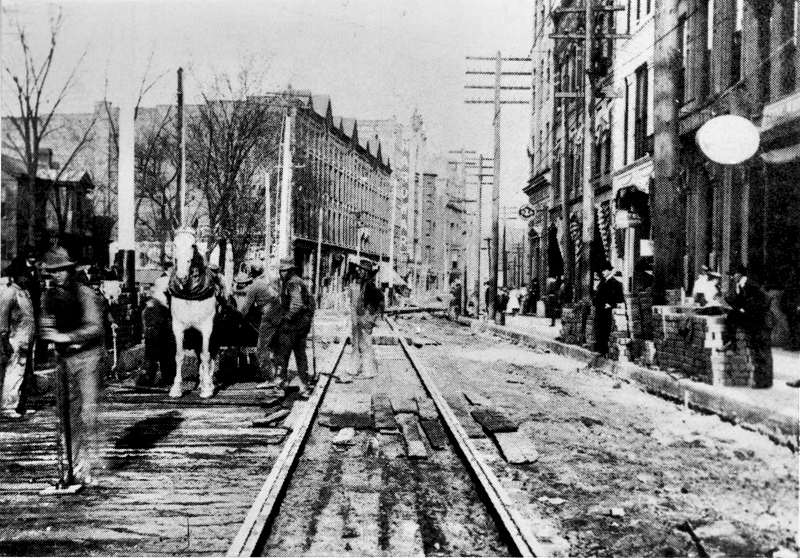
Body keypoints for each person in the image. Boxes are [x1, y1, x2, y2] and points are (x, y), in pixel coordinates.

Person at [39, 247, 107, 485]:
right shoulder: (48, 296)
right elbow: (47, 327)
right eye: (53, 272)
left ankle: (94, 464)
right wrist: (49, 336)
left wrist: (66, 338)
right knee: (68, 414)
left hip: (88, 356)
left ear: (70, 270)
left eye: (62, 270)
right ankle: (76, 464)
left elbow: (95, 327)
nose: (58, 276)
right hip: (65, 360)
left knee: (88, 411)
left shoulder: (84, 293)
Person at [724, 264, 773, 388]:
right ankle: (761, 381)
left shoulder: (751, 284)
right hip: (755, 323)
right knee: (757, 352)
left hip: (762, 322)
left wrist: (751, 310)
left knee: (763, 352)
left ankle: (765, 382)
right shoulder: (739, 287)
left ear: (740, 274)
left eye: (733, 274)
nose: (732, 277)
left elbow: (766, 299)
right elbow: (740, 303)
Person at [0, 257, 36, 418]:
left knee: (24, 372)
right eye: (23, 274)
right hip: (15, 338)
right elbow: (2, 317)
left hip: (27, 337)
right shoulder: (10, 292)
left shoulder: (24, 292)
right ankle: (8, 406)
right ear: (16, 275)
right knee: (14, 371)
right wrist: (3, 337)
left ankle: (20, 405)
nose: (26, 277)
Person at [273, 258, 314, 398]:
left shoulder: (292, 283)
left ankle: (281, 385)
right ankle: (304, 386)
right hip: (302, 325)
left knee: (282, 355)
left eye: (284, 271)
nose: (281, 273)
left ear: (290, 271)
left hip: (293, 325)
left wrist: (286, 318)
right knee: (300, 355)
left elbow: (296, 304)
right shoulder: (297, 281)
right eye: (280, 270)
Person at [239, 263, 283, 388]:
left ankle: (270, 379)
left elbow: (245, 309)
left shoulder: (254, 286)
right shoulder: (266, 282)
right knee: (275, 346)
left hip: (269, 315)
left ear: (251, 274)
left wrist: (236, 318)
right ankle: (280, 376)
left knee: (261, 348)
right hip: (278, 312)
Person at [346, 258, 384, 381]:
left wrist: (372, 317)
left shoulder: (369, 285)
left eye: (362, 270)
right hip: (358, 320)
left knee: (366, 346)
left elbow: (380, 299)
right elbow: (354, 304)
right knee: (356, 344)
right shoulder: (358, 285)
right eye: (359, 269)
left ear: (367, 272)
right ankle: (354, 368)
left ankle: (369, 371)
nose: (359, 271)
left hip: (365, 320)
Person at [139, 275, 175, 388]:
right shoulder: (171, 279)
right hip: (160, 311)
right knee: (163, 346)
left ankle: (148, 377)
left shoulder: (160, 279)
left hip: (153, 309)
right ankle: (165, 376)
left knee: (153, 347)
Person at [592, 265, 624, 356]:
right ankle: (600, 348)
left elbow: (619, 298)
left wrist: (611, 304)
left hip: (607, 312)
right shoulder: (602, 282)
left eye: (605, 270)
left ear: (610, 271)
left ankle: (604, 350)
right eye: (602, 270)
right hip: (599, 310)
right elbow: (597, 296)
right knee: (599, 329)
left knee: (605, 330)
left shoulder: (615, 283)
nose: (603, 272)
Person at [780, 269, 800, 350]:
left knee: (793, 325)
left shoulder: (792, 281)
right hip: (792, 306)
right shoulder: (793, 282)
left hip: (791, 306)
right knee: (794, 325)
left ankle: (794, 343)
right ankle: (794, 343)